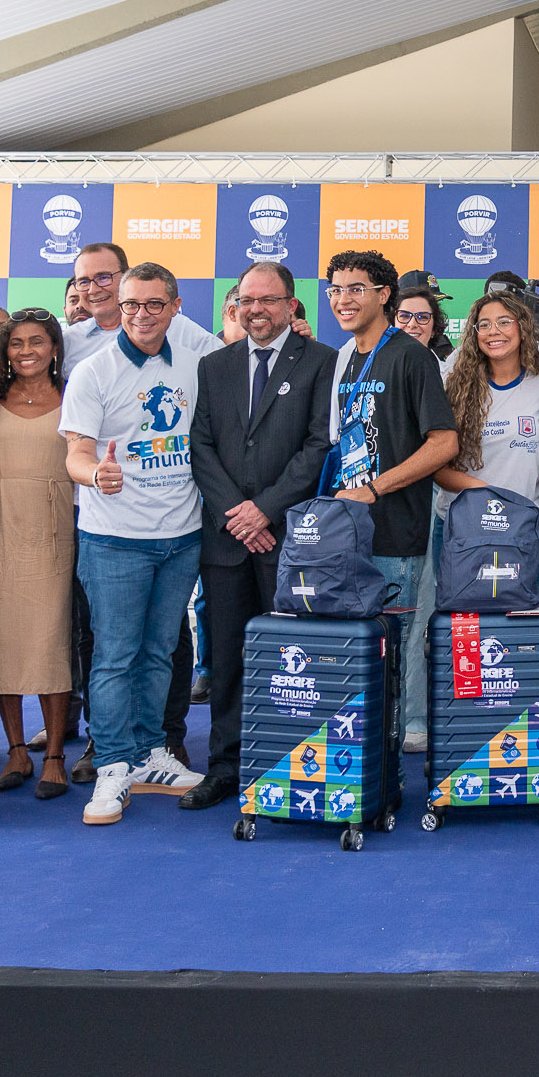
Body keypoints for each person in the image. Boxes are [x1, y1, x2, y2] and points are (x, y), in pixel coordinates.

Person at [61, 263, 210, 824]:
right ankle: (113, 766)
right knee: (115, 657)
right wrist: (93, 475)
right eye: (130, 306)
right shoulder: (94, 372)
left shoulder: (199, 362)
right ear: (117, 309)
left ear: (174, 307)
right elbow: (75, 452)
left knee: (159, 653)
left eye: (153, 305)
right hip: (114, 541)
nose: (141, 316)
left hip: (180, 537)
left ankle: (150, 754)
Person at [184, 261, 335, 811]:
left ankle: (291, 762)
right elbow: (201, 445)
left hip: (286, 540)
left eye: (268, 300)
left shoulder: (322, 361)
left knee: (290, 660)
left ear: (292, 305)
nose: (257, 310)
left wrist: (264, 512)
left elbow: (319, 446)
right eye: (247, 301)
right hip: (226, 541)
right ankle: (225, 766)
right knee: (225, 660)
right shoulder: (214, 365)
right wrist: (236, 515)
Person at [324, 251, 458, 753]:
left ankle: (389, 769)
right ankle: (368, 762)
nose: (343, 299)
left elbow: (444, 443)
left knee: (393, 652)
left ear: (385, 296)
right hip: (350, 531)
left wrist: (375, 488)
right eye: (336, 289)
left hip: (396, 531)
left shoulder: (410, 355)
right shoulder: (350, 356)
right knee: (362, 650)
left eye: (356, 288)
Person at [0, 309, 76, 799]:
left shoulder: (72, 393)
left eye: (37, 341)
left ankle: (54, 754)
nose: (27, 351)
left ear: (55, 347)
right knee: (4, 641)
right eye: (16, 343)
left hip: (55, 529)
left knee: (52, 642)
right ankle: (16, 750)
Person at [432, 290, 539, 580]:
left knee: (521, 620)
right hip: (462, 525)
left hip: (526, 525)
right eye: (483, 324)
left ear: (523, 327)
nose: (493, 332)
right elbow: (435, 465)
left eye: (504, 322)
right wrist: (485, 493)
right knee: (461, 622)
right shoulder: (454, 385)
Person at [63, 242, 218, 377]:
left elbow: (225, 365)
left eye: (103, 278)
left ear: (126, 276)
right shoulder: (69, 340)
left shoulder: (176, 326)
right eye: (83, 281)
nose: (93, 289)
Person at [398, 271, 456, 360]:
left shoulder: (447, 353)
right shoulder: (377, 355)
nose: (413, 323)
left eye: (423, 315)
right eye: (405, 315)